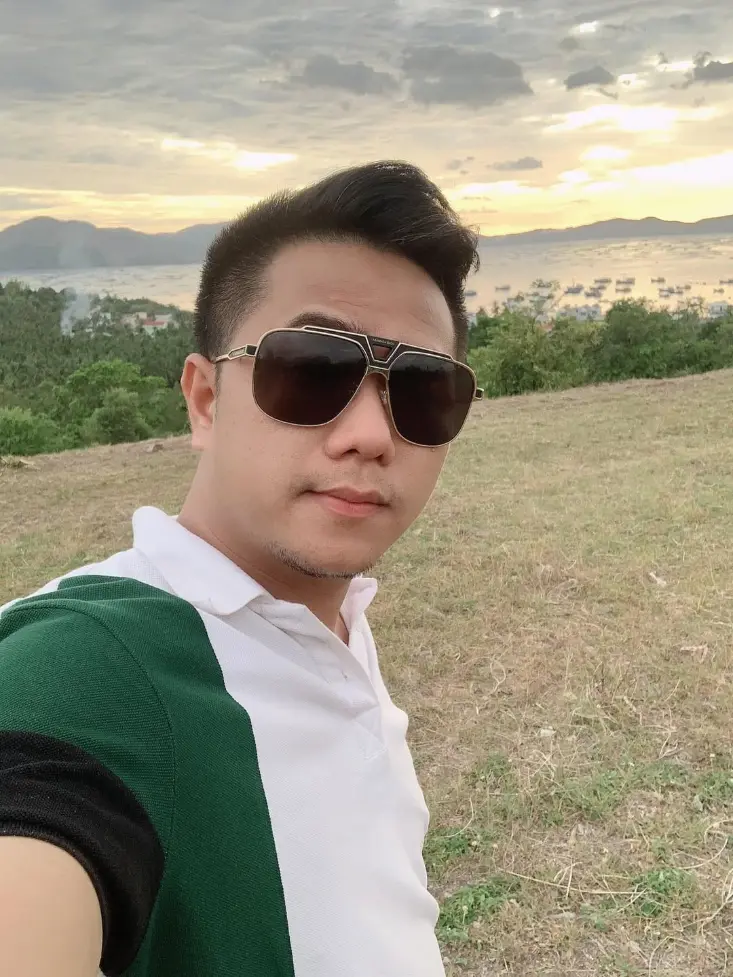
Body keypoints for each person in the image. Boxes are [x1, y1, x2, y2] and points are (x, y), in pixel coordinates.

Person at [0, 160, 482, 977]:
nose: (370, 434)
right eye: (312, 370)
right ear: (205, 399)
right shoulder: (86, 664)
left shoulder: (328, 625)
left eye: (422, 388)